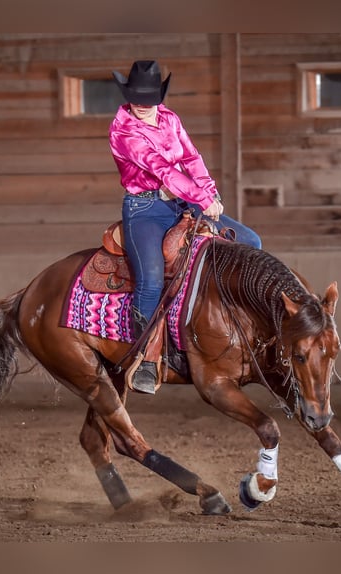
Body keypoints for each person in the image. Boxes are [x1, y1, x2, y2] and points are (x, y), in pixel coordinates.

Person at [109, 60, 262, 395]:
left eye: (149, 96)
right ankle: (147, 359)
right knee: (149, 280)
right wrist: (199, 197)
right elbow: (161, 168)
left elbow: (191, 158)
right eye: (137, 96)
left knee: (250, 241)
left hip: (182, 201)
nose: (143, 103)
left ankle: (242, 329)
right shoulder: (123, 130)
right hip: (145, 209)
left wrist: (208, 193)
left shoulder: (170, 118)